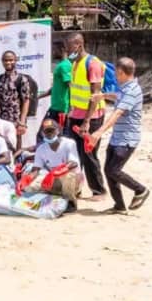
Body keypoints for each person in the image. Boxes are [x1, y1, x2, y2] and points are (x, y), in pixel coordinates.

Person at [89, 57, 149, 214]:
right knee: (109, 169)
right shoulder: (124, 87)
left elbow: (118, 113)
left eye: (116, 72)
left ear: (121, 72)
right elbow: (117, 96)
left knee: (114, 170)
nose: (114, 74)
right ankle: (119, 206)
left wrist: (99, 131)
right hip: (117, 137)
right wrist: (103, 96)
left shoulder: (132, 90)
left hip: (127, 138)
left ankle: (140, 190)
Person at [65, 33, 107, 200]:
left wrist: (87, 121)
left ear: (79, 45)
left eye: (69, 48)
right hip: (76, 114)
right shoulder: (75, 63)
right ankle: (76, 188)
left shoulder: (93, 64)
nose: (67, 51)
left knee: (88, 153)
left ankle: (99, 190)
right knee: (75, 154)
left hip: (92, 117)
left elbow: (95, 95)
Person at [28, 118, 82, 205]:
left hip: (73, 180)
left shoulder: (69, 143)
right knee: (30, 186)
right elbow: (36, 169)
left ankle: (71, 203)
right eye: (46, 131)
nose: (49, 134)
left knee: (68, 176)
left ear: (58, 130)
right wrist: (26, 180)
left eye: (51, 130)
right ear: (42, 133)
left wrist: (57, 172)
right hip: (53, 180)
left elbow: (73, 163)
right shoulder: (41, 149)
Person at [0, 50, 32, 142]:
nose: (8, 62)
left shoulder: (22, 79)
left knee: (15, 144)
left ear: (15, 60)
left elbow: (26, 101)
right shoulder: (0, 78)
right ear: (2, 61)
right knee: (2, 142)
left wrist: (22, 122)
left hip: (16, 119)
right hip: (1, 119)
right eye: (5, 60)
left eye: (11, 60)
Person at [39, 42, 73, 128]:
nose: (53, 52)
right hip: (55, 107)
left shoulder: (64, 66)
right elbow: (55, 88)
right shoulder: (61, 65)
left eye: (54, 50)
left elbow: (71, 87)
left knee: (52, 134)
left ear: (62, 50)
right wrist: (38, 96)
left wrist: (71, 108)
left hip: (61, 109)